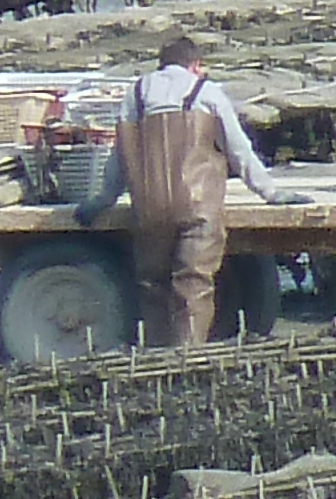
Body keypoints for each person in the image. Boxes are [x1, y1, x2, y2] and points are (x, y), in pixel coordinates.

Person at [79, 34, 299, 346]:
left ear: (162, 64)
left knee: (153, 285)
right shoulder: (206, 92)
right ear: (195, 65)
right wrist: (272, 193)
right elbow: (239, 151)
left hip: (149, 210)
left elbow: (120, 157)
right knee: (193, 285)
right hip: (199, 210)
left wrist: (103, 199)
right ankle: (189, 360)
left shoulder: (136, 94)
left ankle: (156, 358)